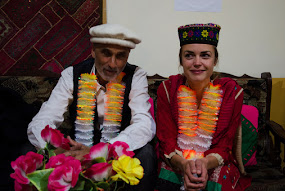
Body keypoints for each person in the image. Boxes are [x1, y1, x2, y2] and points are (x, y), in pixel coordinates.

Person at [27, 23, 157, 190]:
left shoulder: (136, 75)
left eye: (120, 56)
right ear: (93, 50)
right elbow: (42, 120)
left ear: (128, 56)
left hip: (116, 156)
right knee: (31, 149)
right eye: (106, 53)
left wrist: (101, 152)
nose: (113, 64)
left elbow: (144, 124)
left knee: (146, 153)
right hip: (75, 156)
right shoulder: (72, 74)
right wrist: (58, 150)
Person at [155, 23, 251, 191]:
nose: (197, 62)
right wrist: (185, 165)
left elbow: (225, 146)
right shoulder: (167, 89)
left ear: (215, 61)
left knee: (219, 177)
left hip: (214, 161)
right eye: (189, 56)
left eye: (205, 56)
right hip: (178, 160)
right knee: (165, 173)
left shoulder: (231, 92)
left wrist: (204, 164)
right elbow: (166, 141)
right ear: (181, 60)